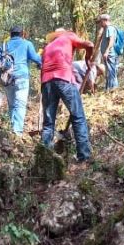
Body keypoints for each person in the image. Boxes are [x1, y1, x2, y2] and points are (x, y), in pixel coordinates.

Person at [40, 28, 95, 162]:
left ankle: (44, 158)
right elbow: (90, 45)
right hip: (63, 78)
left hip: (46, 82)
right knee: (78, 116)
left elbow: (43, 68)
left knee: (48, 123)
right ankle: (84, 156)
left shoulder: (48, 47)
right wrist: (88, 58)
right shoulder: (68, 36)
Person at [0, 26, 42, 135]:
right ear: (22, 34)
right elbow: (36, 59)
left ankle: (12, 129)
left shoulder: (3, 46)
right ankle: (17, 132)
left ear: (10, 34)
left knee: (12, 105)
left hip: (6, 79)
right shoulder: (27, 44)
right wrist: (41, 63)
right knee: (20, 105)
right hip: (22, 78)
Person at [95, 14, 120, 90]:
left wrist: (106, 52)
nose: (99, 24)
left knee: (111, 70)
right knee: (109, 70)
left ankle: (113, 88)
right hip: (108, 54)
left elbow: (111, 41)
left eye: (100, 22)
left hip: (110, 54)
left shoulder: (110, 28)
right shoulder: (106, 29)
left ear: (105, 21)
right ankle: (109, 87)